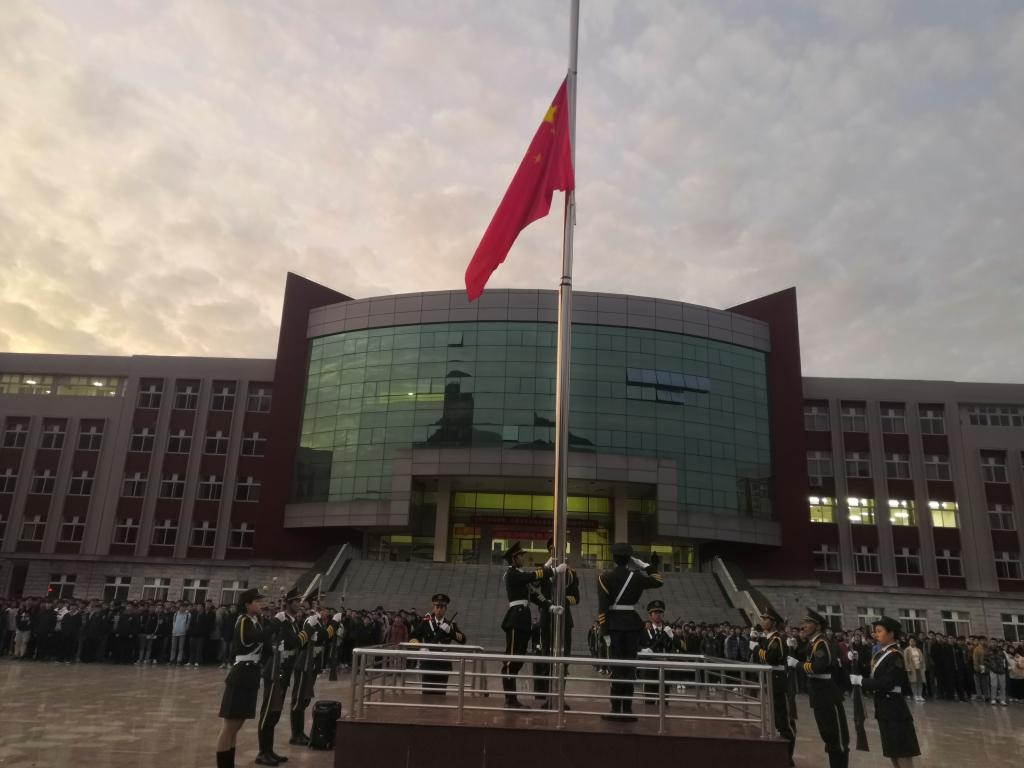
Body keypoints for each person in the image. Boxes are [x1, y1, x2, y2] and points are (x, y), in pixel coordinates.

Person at [596, 543, 664, 721]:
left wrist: (604, 630)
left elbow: (603, 606)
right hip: (632, 625)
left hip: (614, 625)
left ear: (614, 558)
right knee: (629, 668)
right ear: (629, 560)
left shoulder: (604, 577)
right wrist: (645, 565)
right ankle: (627, 709)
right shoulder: (637, 577)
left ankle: (615, 709)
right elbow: (658, 580)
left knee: (616, 669)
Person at [849, 616, 920, 767]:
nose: (876, 634)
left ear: (891, 634)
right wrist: (856, 660)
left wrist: (861, 681)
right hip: (884, 708)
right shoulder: (880, 654)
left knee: (902, 751)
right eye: (875, 631)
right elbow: (872, 674)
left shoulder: (895, 655)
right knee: (892, 751)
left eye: (879, 631)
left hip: (895, 709)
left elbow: (887, 682)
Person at [499, 541, 561, 708]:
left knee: (518, 660)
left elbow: (534, 595)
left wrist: (550, 606)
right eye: (520, 556)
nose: (523, 558)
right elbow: (532, 576)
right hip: (515, 619)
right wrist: (553, 570)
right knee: (511, 660)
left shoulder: (520, 575)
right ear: (513, 559)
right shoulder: (512, 574)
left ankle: (512, 699)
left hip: (523, 620)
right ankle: (510, 699)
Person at [216, 587, 266, 768]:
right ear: (247, 604)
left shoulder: (255, 621)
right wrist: (274, 626)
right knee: (229, 726)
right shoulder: (244, 620)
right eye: (257, 601)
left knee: (237, 725)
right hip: (241, 674)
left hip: (250, 674)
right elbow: (248, 639)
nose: (260, 605)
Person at [257, 589, 305, 766]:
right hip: (275, 671)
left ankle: (269, 750)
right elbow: (294, 641)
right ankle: (262, 752)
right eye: (296, 601)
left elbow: (298, 643)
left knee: (275, 713)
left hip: (284, 670)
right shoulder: (283, 621)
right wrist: (307, 631)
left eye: (299, 601)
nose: (299, 604)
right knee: (269, 712)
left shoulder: (292, 622)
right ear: (289, 603)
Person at [534, 537, 580, 708]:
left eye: (561, 549)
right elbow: (534, 583)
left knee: (564, 659)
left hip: (565, 619)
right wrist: (547, 566)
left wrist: (563, 601)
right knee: (547, 657)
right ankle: (549, 697)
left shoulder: (571, 573)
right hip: (547, 618)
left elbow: (576, 598)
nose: (559, 552)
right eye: (554, 549)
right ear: (549, 551)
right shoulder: (544, 571)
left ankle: (560, 697)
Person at [800, 608, 849, 768]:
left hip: (827, 695)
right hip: (818, 696)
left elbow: (818, 667)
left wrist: (799, 665)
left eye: (808, 622)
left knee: (837, 739)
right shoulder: (813, 644)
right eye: (804, 622)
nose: (804, 626)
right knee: (828, 737)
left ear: (818, 626)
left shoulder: (821, 643)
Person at [754, 607, 797, 766]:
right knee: (777, 719)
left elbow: (771, 657)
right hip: (772, 680)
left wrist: (757, 649)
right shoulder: (768, 638)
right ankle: (782, 754)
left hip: (779, 681)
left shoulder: (777, 639)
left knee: (784, 720)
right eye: (763, 618)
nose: (763, 621)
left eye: (766, 619)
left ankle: (788, 756)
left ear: (773, 622)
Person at [409, 593, 467, 694]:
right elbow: (412, 636)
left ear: (445, 609)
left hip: (443, 664)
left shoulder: (450, 625)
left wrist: (450, 632)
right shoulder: (426, 622)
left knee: (441, 694)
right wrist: (419, 647)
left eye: (442, 607)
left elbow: (463, 640)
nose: (439, 610)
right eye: (437, 607)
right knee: (426, 694)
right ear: (433, 608)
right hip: (428, 663)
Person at [637, 599, 678, 704]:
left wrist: (672, 636)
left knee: (664, 701)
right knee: (649, 701)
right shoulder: (643, 631)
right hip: (649, 670)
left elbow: (682, 647)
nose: (658, 615)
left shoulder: (667, 630)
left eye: (660, 612)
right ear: (650, 615)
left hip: (664, 669)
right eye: (655, 612)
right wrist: (642, 650)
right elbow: (635, 645)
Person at [902, 637, 925, 701]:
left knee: (920, 682)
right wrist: (908, 668)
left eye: (913, 641)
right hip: (912, 668)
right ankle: (915, 695)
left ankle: (920, 695)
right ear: (909, 642)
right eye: (911, 641)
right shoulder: (907, 650)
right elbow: (906, 660)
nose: (912, 642)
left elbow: (922, 658)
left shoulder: (918, 650)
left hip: (919, 667)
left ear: (915, 642)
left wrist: (923, 667)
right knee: (913, 682)